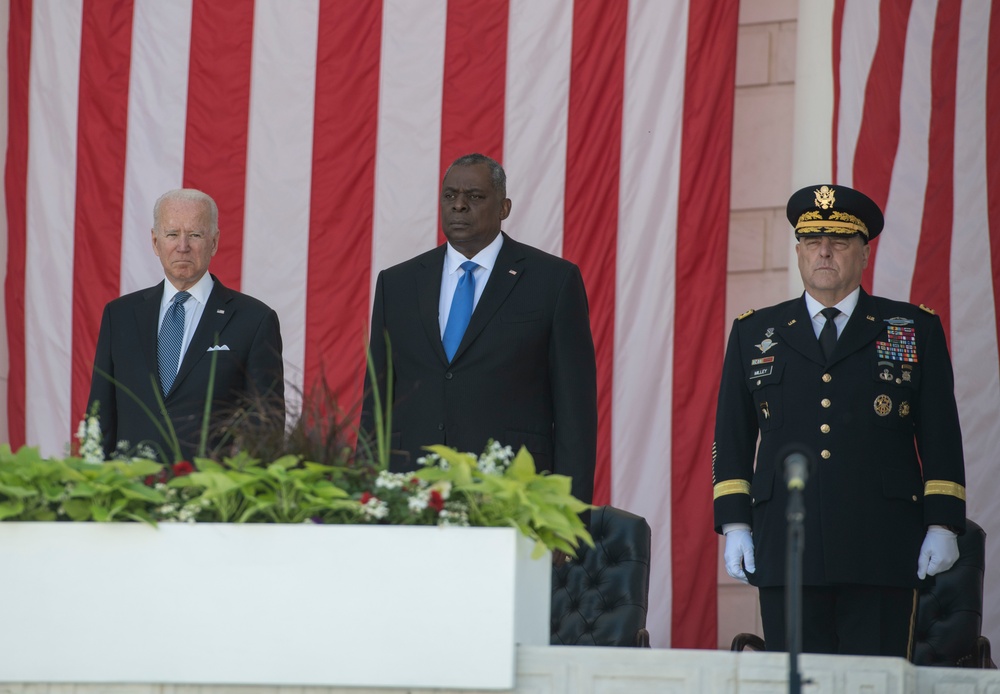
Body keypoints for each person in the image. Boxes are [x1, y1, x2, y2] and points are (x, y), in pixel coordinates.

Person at [712, 184, 967, 657]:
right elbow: (732, 436)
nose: (824, 252)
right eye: (812, 241)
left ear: (864, 254)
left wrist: (943, 523)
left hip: (882, 543)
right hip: (786, 545)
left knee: (874, 683)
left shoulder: (912, 329)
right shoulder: (754, 332)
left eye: (840, 241)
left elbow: (941, 436)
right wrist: (735, 524)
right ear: (798, 252)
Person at [361, 153, 597, 504]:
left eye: (474, 196)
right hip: (409, 493)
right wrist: (365, 494)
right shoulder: (397, 284)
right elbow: (375, 405)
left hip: (512, 495)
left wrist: (569, 514)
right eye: (449, 195)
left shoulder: (553, 281)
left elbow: (575, 414)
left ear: (504, 208)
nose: (458, 206)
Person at [88, 188, 284, 463]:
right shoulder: (118, 315)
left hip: (211, 495)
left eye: (195, 234)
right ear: (155, 242)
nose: (183, 246)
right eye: (171, 235)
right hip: (129, 493)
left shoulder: (254, 320)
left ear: (214, 242)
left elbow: (266, 430)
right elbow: (100, 418)